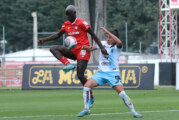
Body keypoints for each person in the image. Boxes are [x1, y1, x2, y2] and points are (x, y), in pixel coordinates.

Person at [38, 5, 108, 108]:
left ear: (74, 13)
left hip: (83, 50)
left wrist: (101, 48)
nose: (68, 17)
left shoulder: (81, 23)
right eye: (67, 15)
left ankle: (91, 97)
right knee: (53, 48)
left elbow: (93, 34)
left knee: (80, 75)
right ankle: (68, 64)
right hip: (74, 51)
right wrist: (44, 39)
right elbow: (57, 35)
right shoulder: (66, 24)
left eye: (70, 15)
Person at [77, 27, 143, 118]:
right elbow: (91, 48)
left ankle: (134, 112)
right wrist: (86, 48)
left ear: (114, 39)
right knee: (86, 86)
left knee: (122, 93)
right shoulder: (103, 44)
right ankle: (86, 109)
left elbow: (119, 42)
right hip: (101, 73)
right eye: (107, 37)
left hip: (113, 73)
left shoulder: (117, 47)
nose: (108, 39)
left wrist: (108, 32)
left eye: (110, 38)